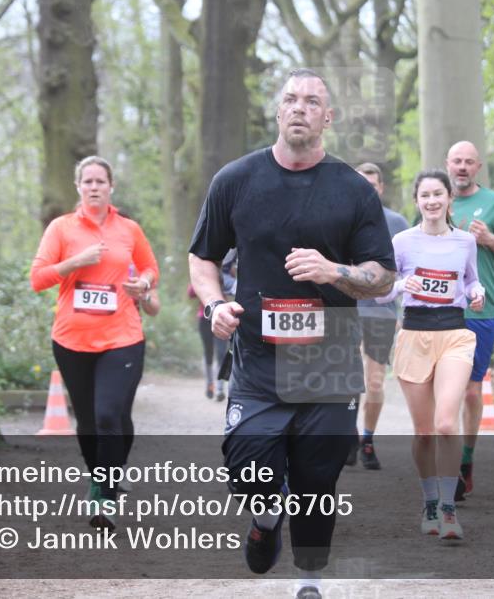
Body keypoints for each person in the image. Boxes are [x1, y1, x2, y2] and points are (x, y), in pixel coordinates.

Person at [189, 69, 395, 599]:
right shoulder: (234, 180)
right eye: (290, 99)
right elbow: (201, 257)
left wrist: (336, 272)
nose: (299, 108)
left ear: (328, 117)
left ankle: (309, 580)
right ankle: (264, 521)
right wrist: (214, 303)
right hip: (258, 354)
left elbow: (383, 276)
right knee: (248, 466)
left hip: (327, 358)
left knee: (316, 481)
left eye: (312, 101)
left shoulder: (352, 189)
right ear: (278, 113)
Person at [30, 155, 159, 529]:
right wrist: (75, 262)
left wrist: (144, 284)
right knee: (88, 421)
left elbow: (151, 269)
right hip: (72, 340)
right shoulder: (61, 228)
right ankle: (102, 477)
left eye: (100, 181)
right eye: (87, 181)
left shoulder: (129, 230)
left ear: (111, 186)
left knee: (108, 415)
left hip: (122, 336)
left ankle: (104, 495)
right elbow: (37, 278)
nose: (94, 187)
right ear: (78, 187)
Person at [375, 170, 485, 540]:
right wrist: (403, 284)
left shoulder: (465, 242)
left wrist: (476, 292)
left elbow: (470, 280)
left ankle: (450, 510)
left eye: (439, 194)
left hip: (454, 334)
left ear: (449, 198)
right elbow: (380, 292)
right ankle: (430, 502)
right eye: (425, 195)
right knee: (424, 433)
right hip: (414, 335)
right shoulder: (402, 242)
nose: (433, 201)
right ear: (417, 200)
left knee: (444, 425)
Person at [445, 141, 494, 500]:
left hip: (480, 309)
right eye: (457, 161)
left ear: (478, 168)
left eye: (468, 162)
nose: (462, 167)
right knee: (440, 391)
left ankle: (465, 460)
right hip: (439, 309)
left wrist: (490, 239)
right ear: (448, 165)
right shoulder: (434, 199)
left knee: (472, 390)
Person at [346, 162, 409, 470]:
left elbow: (410, 271)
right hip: (346, 311)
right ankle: (348, 435)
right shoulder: (339, 219)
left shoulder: (397, 223)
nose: (368, 189)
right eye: (362, 184)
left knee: (374, 382)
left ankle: (367, 441)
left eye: (373, 184)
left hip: (382, 314)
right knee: (348, 379)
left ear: (381, 188)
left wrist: (401, 308)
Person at [188, 249, 237, 402]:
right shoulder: (203, 272)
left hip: (223, 317)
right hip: (204, 318)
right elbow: (190, 292)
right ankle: (210, 384)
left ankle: (220, 388)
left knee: (221, 352)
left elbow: (235, 291)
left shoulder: (228, 273)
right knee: (208, 352)